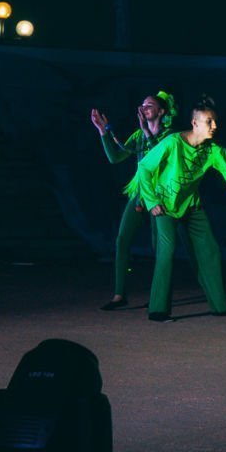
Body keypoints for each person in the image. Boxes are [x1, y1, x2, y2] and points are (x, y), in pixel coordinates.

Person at [127, 95, 226, 321]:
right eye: (208, 122)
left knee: (210, 250)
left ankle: (220, 307)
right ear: (195, 123)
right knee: (167, 251)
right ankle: (158, 309)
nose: (214, 126)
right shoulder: (173, 143)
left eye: (215, 122)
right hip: (164, 206)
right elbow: (144, 167)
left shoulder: (214, 151)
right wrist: (152, 200)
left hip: (191, 206)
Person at [90, 89, 177, 310]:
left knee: (159, 246)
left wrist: (147, 133)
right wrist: (103, 131)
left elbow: (161, 159)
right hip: (140, 194)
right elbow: (115, 157)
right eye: (142, 105)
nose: (143, 108)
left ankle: (160, 295)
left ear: (161, 111)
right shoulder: (139, 135)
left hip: (160, 195)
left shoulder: (170, 136)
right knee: (122, 240)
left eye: (149, 105)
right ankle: (119, 295)